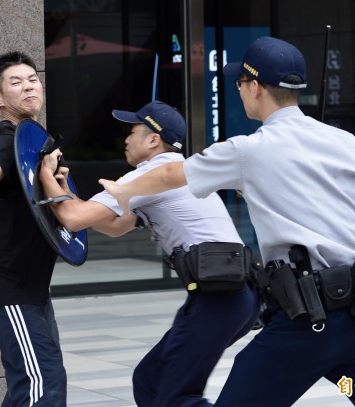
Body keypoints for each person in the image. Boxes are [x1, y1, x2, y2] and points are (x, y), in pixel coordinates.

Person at [99, 37, 355, 406]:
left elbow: (171, 174)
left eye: (239, 84)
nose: (240, 91)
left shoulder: (249, 149)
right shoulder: (345, 141)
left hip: (306, 328)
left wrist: (123, 193)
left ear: (254, 87)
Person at [39, 100, 261, 407]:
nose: (126, 139)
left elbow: (74, 218)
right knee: (149, 379)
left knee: (176, 396)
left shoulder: (147, 175)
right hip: (237, 298)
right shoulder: (180, 174)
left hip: (219, 298)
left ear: (153, 140)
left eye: (132, 131)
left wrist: (44, 175)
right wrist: (64, 192)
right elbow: (115, 226)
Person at [0, 51, 66, 407]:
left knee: (32, 380)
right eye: (15, 82)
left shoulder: (37, 141)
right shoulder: (6, 138)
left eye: (32, 78)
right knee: (42, 382)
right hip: (9, 284)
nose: (28, 86)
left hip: (32, 286)